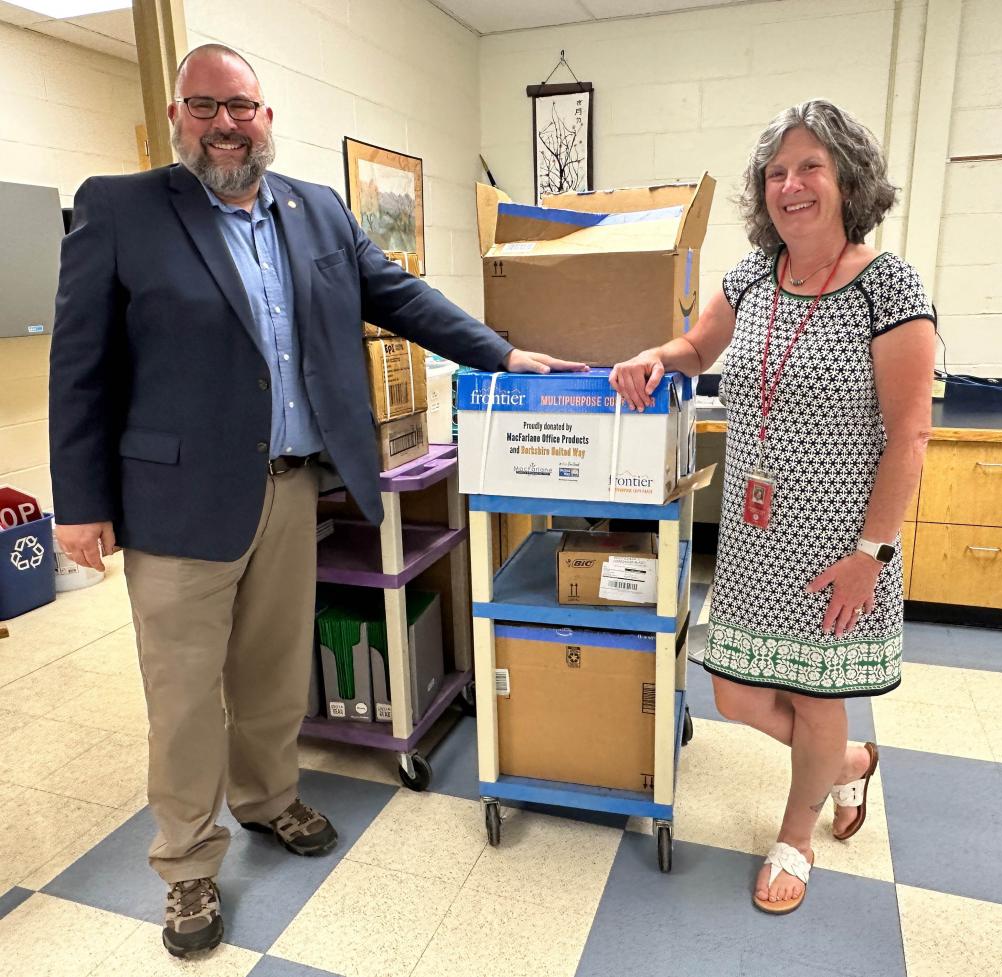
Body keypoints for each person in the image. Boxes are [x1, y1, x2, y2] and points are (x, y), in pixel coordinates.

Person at [49, 43, 584, 958]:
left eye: (244, 107)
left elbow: (403, 297)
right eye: (207, 106)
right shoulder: (121, 209)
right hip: (176, 505)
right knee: (183, 698)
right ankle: (186, 865)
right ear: (179, 114)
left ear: (266, 116)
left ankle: (267, 798)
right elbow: (80, 365)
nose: (227, 124)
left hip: (295, 486)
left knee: (272, 674)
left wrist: (502, 354)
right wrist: (79, 501)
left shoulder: (317, 209)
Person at [610, 99, 935, 915]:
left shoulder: (888, 287)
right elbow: (697, 347)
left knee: (819, 694)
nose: (790, 185)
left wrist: (875, 553)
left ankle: (796, 836)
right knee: (738, 692)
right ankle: (847, 764)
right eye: (777, 171)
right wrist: (658, 353)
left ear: (848, 179)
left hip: (840, 542)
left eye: (810, 167)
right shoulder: (754, 273)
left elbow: (910, 436)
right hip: (754, 539)